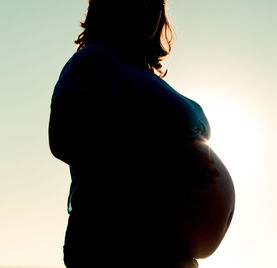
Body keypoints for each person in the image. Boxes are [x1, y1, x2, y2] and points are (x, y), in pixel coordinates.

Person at [48, 0, 235, 267]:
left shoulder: (152, 81)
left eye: (156, 2)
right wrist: (167, 157)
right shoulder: (95, 60)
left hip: (172, 251)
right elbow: (65, 137)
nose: (150, 8)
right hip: (117, 241)